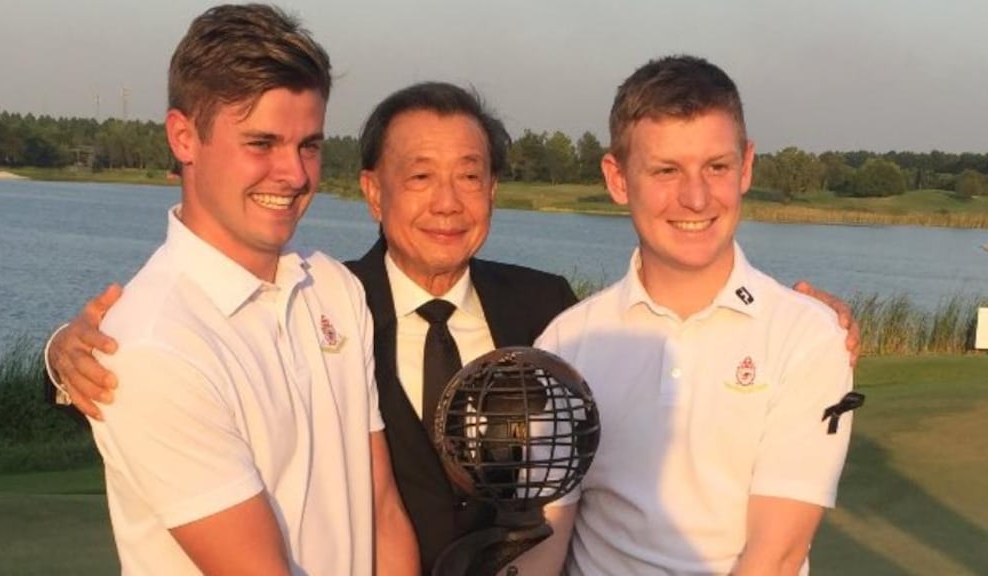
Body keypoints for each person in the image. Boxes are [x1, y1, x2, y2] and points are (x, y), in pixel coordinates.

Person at [44, 79, 860, 573]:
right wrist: (61, 353)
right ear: (371, 189)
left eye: (470, 177)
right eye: (420, 176)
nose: (448, 203)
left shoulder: (551, 314)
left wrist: (806, 326)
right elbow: (198, 329)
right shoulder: (328, 302)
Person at [64, 4, 417, 575]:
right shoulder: (154, 345)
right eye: (261, 143)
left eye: (309, 145)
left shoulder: (334, 287)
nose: (296, 174)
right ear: (184, 136)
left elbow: (380, 509)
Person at [526, 55, 858, 575]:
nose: (696, 197)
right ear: (617, 178)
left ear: (746, 166)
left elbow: (776, 555)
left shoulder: (808, 336)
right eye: (665, 170)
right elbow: (547, 535)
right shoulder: (566, 344)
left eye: (717, 167)